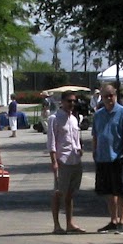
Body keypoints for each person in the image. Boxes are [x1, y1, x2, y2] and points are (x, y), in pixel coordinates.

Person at [91, 83, 123, 233]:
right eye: (106, 96)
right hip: (103, 158)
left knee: (121, 191)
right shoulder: (98, 115)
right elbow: (95, 135)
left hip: (118, 157)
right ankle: (113, 220)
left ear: (115, 95)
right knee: (108, 191)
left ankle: (122, 221)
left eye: (111, 95)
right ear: (101, 98)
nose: (109, 98)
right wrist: (95, 151)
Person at [45, 90, 87, 234]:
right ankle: (57, 225)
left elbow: (75, 139)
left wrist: (80, 149)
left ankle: (70, 223)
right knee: (58, 193)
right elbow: (51, 142)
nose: (72, 104)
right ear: (62, 102)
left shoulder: (74, 119)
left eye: (74, 101)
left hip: (75, 159)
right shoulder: (54, 119)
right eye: (69, 101)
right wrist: (54, 161)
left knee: (70, 193)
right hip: (62, 160)